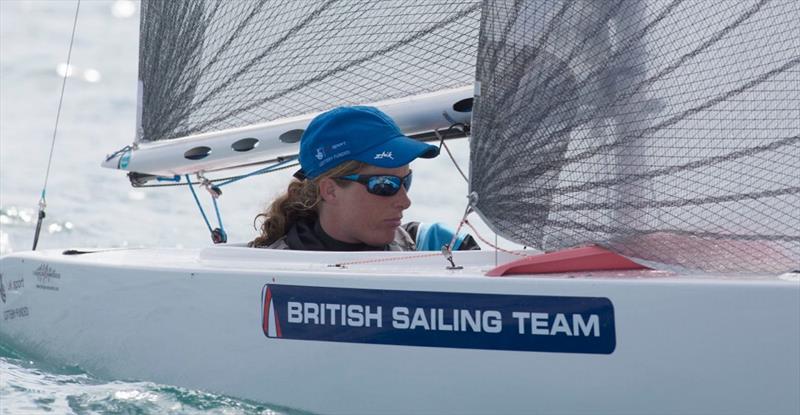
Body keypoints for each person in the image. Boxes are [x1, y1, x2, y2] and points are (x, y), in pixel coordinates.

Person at [249, 106, 478, 251]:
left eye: (406, 181)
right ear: (330, 191)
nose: (405, 201)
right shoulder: (263, 273)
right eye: (384, 185)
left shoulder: (436, 246)